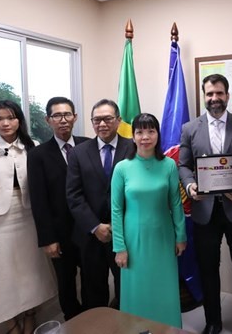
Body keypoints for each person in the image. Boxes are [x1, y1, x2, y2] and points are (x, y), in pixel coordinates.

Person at [0, 100, 56, 334]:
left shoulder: (32, 146)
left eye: (10, 117)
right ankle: (10, 325)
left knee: (31, 274)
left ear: (19, 120)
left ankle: (29, 318)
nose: (5, 123)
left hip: (28, 218)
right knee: (1, 277)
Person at [179, 74, 232, 334]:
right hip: (205, 212)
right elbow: (183, 165)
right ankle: (213, 321)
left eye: (219, 93)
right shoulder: (190, 128)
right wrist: (191, 186)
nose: (214, 98)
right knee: (208, 269)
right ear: (204, 96)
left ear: (227, 95)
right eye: (210, 94)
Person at [111, 113, 187, 327]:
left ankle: (168, 329)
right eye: (140, 132)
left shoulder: (169, 166)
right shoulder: (122, 168)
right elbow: (116, 210)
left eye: (151, 131)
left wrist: (180, 236)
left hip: (163, 237)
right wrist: (119, 246)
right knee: (137, 290)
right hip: (133, 240)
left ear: (157, 134)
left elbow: (175, 203)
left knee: (164, 289)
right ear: (133, 136)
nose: (145, 136)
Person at [66, 99, 135, 310]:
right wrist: (96, 226)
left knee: (128, 287)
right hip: (91, 234)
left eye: (107, 119)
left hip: (126, 232)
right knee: (93, 291)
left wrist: (120, 225)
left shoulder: (133, 148)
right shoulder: (78, 152)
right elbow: (73, 195)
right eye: (97, 120)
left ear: (118, 120)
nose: (102, 124)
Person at [27, 97, 87, 321]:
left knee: (93, 278)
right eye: (57, 116)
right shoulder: (37, 155)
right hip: (59, 233)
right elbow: (38, 199)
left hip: (89, 227)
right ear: (48, 120)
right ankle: (73, 320)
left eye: (67, 114)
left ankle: (94, 318)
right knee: (66, 281)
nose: (63, 120)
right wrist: (47, 239)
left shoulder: (87, 144)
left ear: (75, 117)